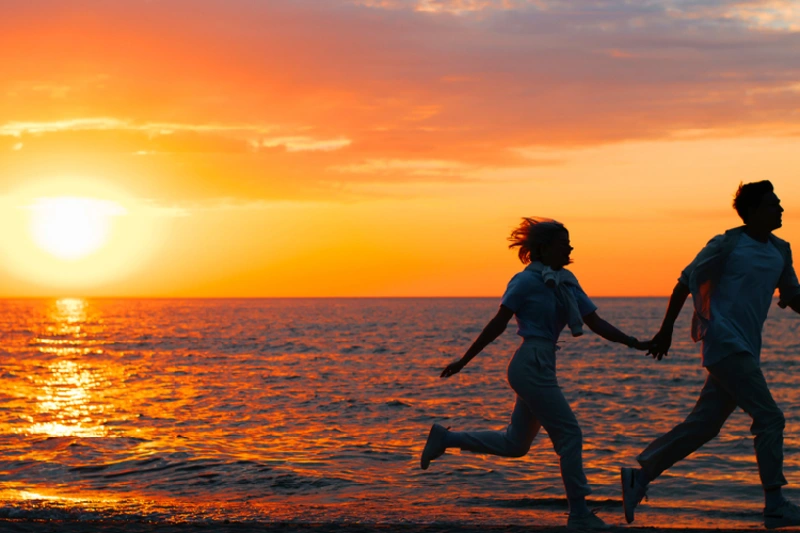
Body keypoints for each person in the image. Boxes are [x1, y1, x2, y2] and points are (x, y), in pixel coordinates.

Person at [420, 217, 650, 529]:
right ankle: (579, 514)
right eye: (562, 242)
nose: (569, 247)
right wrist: (464, 360)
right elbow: (498, 323)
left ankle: (446, 438)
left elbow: (595, 322)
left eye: (570, 242)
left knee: (516, 444)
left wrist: (634, 342)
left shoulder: (567, 282)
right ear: (541, 248)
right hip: (530, 363)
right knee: (570, 435)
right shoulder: (524, 281)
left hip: (542, 364)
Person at [621, 181, 800, 529]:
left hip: (746, 347)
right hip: (723, 342)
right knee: (770, 418)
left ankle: (640, 477)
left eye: (780, 204)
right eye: (773, 204)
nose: (781, 210)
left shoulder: (782, 249)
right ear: (753, 212)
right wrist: (666, 330)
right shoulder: (727, 244)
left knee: (704, 425)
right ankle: (775, 503)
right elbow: (684, 282)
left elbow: (793, 295)